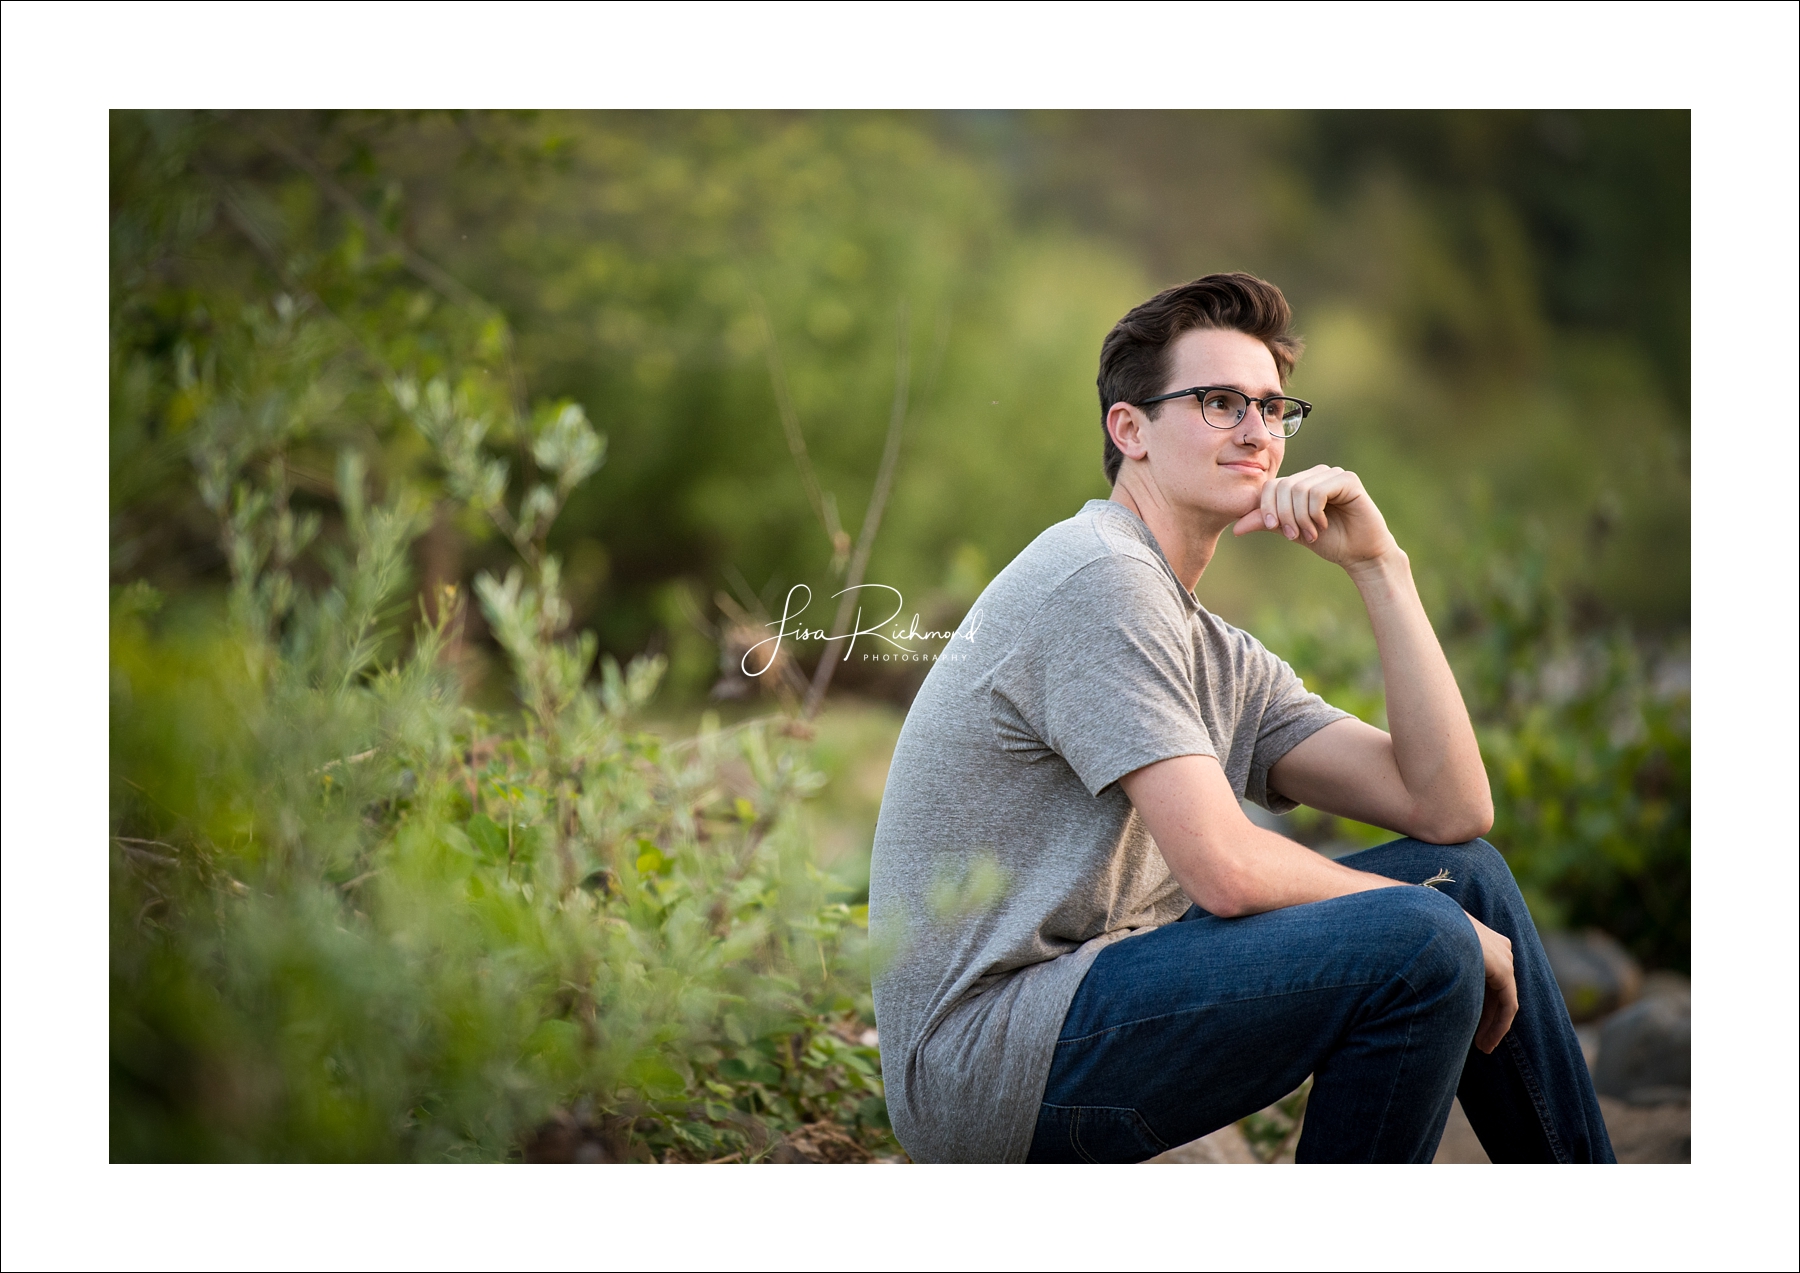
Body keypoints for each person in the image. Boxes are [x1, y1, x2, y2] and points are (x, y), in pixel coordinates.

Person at [867, 272, 1614, 1164]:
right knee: (1428, 933)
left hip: (1091, 998)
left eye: (1271, 407)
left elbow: (1449, 810)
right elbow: (1224, 869)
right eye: (1220, 403)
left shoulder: (1207, 645)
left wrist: (1382, 566)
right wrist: (1441, 928)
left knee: (1466, 880)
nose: (1258, 432)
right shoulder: (1097, 577)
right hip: (991, 1059)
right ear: (1129, 429)